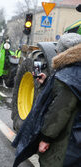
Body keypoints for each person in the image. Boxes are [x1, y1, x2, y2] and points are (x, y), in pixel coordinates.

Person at [12, 33, 81, 167]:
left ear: (65, 52)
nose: (56, 53)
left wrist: (46, 138)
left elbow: (59, 112)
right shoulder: (73, 73)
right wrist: (47, 83)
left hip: (67, 142)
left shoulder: (68, 78)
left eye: (58, 51)